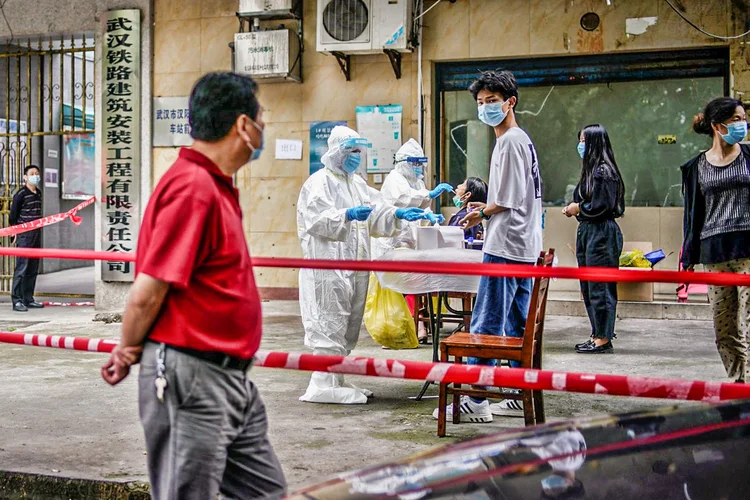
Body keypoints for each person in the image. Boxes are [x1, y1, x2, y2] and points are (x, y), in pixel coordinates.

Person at [100, 72, 286, 500]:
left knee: (267, 493)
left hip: (230, 379)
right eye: (261, 119)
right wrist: (128, 349)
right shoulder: (193, 188)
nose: (263, 129)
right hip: (192, 377)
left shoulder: (212, 186)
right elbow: (148, 291)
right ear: (243, 125)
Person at [433, 70, 543, 423]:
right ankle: (514, 391)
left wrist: (479, 212)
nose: (485, 108)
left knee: (486, 322)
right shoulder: (520, 140)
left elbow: (506, 200)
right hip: (523, 246)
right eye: (480, 103)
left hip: (506, 245)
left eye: (492, 101)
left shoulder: (510, 141)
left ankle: (477, 398)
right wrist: (484, 212)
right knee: (514, 323)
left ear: (511, 101)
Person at [297, 125, 433, 404]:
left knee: (348, 321)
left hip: (354, 266)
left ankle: (337, 379)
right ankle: (321, 383)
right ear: (336, 152)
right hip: (327, 268)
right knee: (327, 319)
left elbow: (378, 211)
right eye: (351, 151)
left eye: (359, 151)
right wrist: (346, 214)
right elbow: (315, 221)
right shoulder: (318, 183)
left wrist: (399, 213)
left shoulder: (356, 183)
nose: (357, 156)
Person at [681, 97, 750, 383]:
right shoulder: (695, 167)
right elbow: (693, 215)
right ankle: (740, 384)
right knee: (724, 329)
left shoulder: (748, 157)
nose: (742, 124)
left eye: (743, 117)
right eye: (736, 119)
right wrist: (688, 255)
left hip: (748, 250)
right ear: (717, 125)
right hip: (714, 253)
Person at [563, 124, 625, 354]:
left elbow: (602, 206)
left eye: (584, 140)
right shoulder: (592, 171)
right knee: (589, 287)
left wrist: (578, 208)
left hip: (601, 233)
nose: (580, 146)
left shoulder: (603, 172)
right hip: (588, 232)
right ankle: (597, 332)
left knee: (601, 287)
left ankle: (603, 337)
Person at [372, 138, 450, 259]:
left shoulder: (418, 182)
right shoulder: (394, 178)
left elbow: (421, 206)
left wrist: (429, 215)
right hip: (393, 241)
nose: (418, 167)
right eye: (415, 163)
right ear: (404, 163)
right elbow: (404, 198)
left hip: (410, 240)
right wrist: (429, 194)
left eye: (420, 164)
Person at [9, 165, 44, 312]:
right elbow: (13, 216)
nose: (35, 176)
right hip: (24, 235)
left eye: (37, 173)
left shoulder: (38, 193)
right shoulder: (20, 194)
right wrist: (14, 231)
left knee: (32, 268)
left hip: (36, 234)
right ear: (25, 177)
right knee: (21, 268)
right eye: (31, 174)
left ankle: (28, 298)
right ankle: (16, 300)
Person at [448, 176, 488, 241]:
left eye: (463, 184)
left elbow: (450, 242)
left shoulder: (461, 218)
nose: (458, 186)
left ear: (467, 195)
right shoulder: (476, 219)